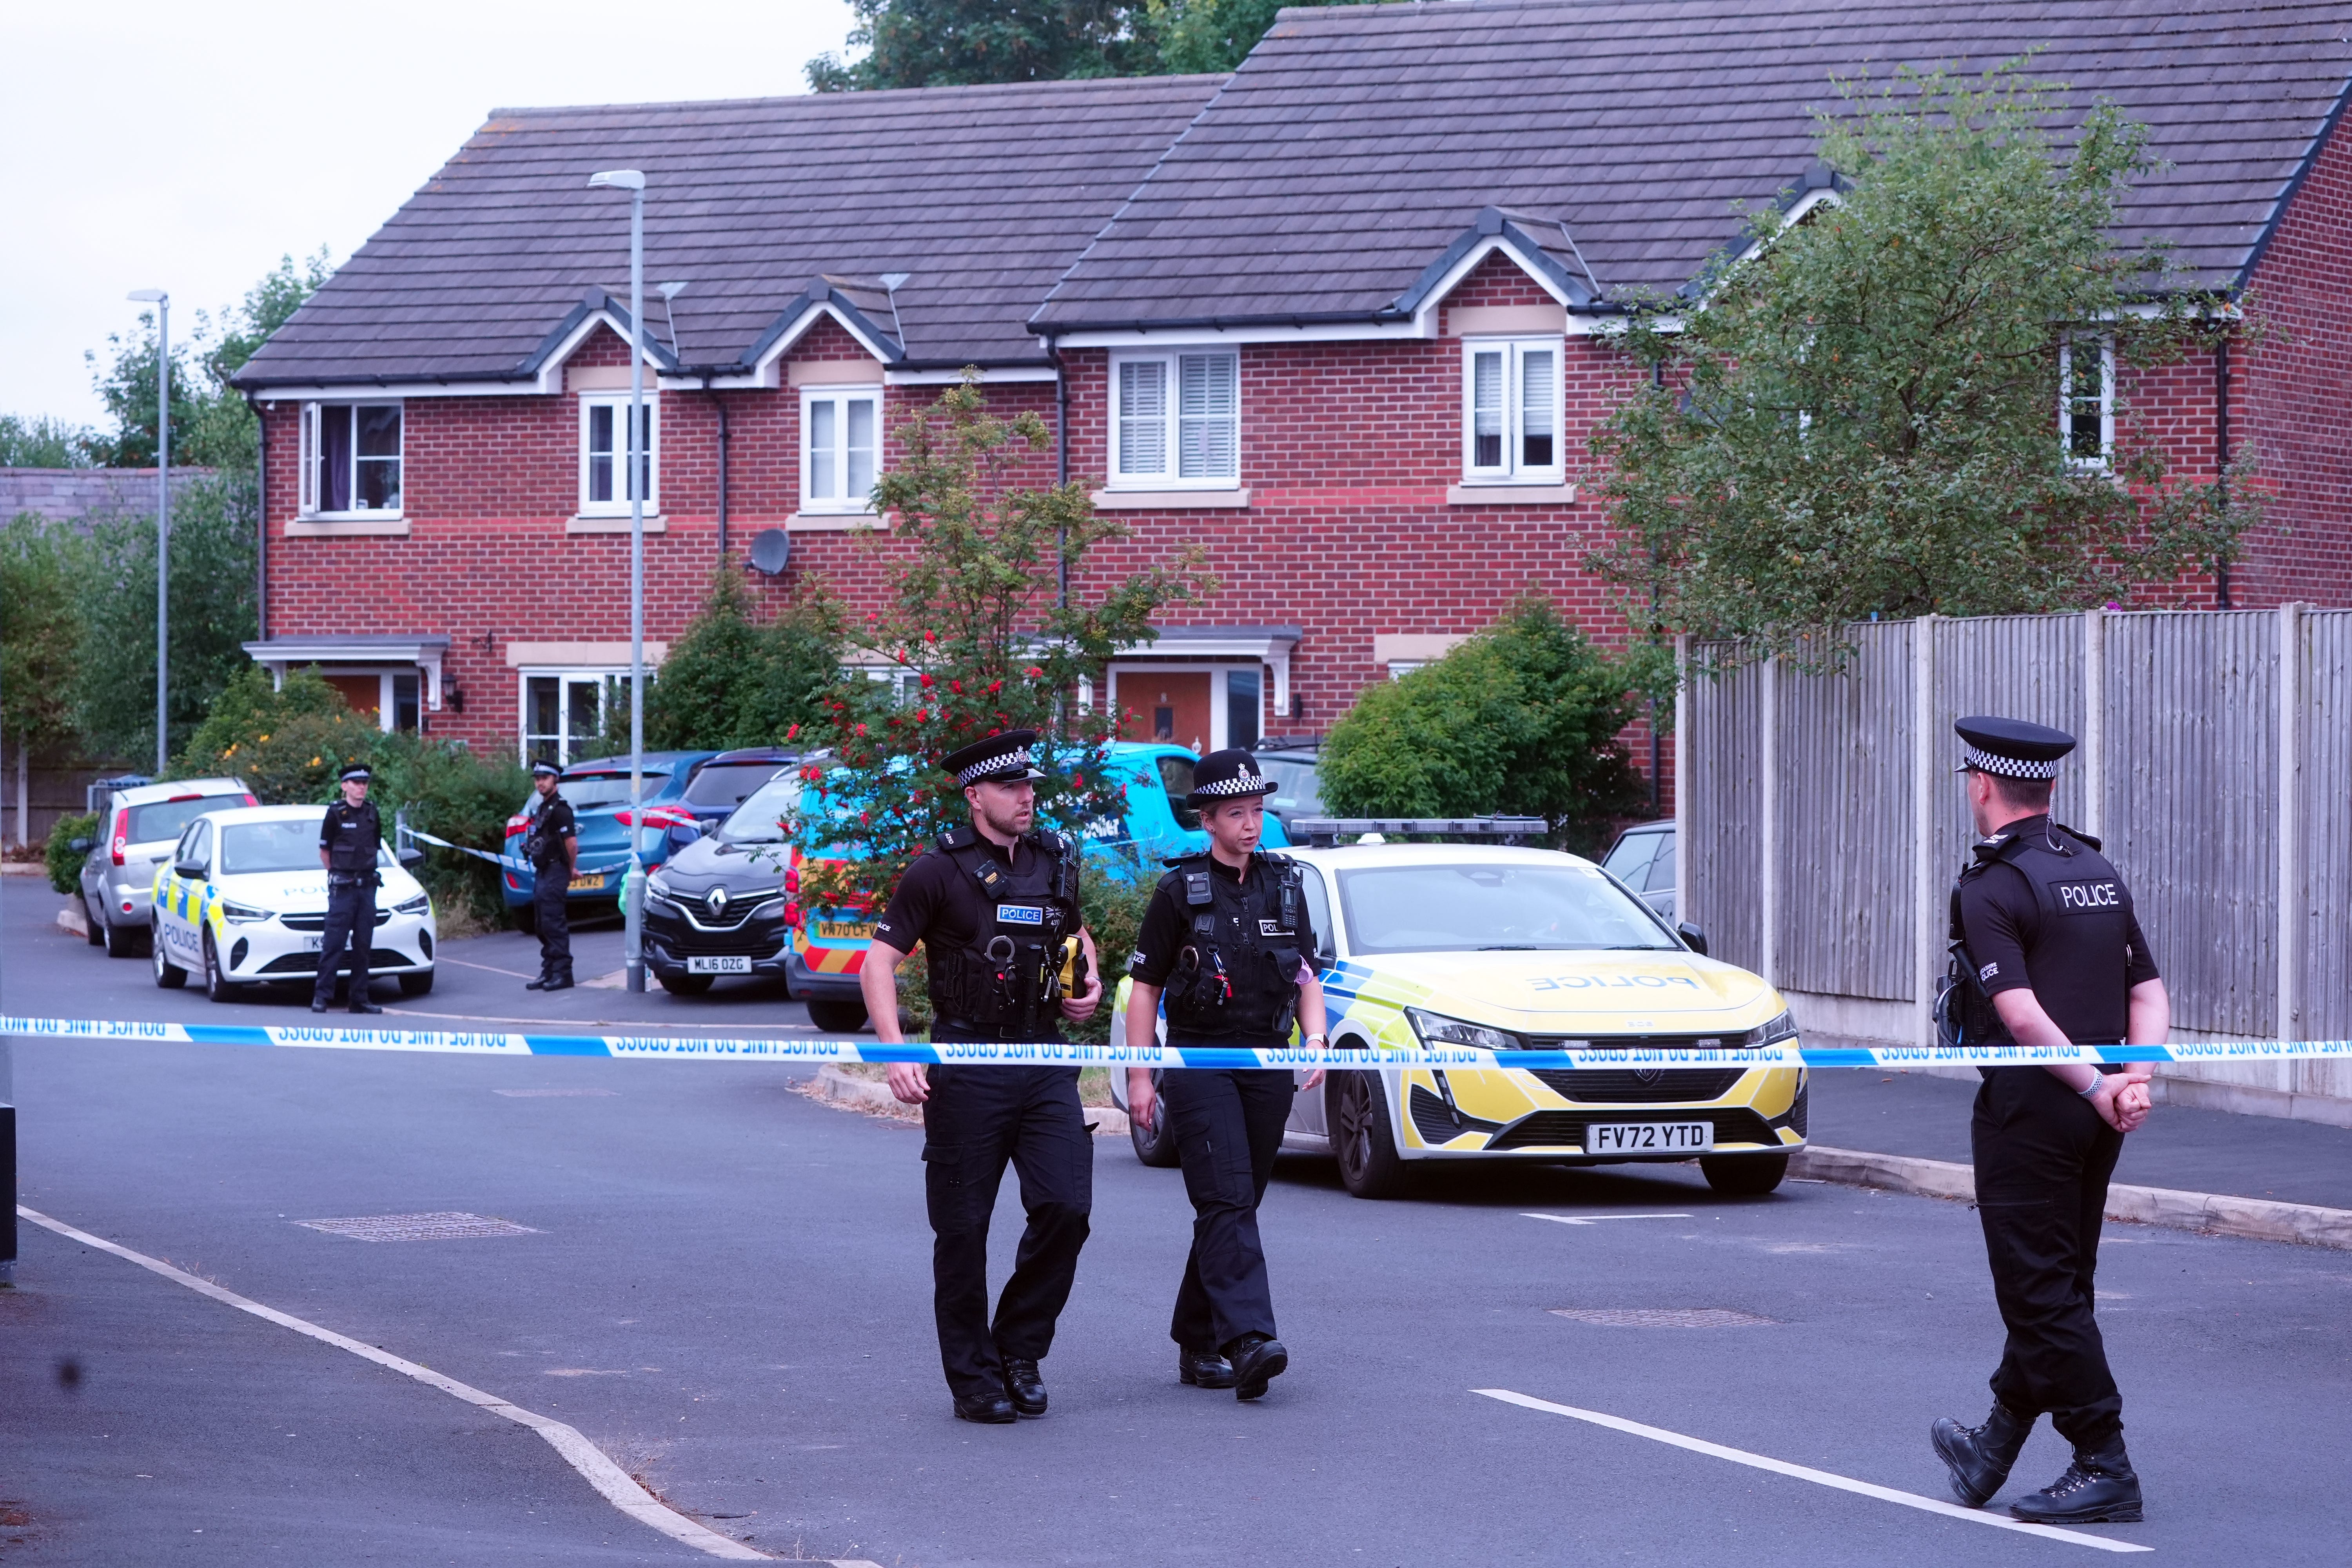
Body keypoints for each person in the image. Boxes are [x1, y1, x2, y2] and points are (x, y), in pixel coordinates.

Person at [1931, 716, 2166, 1525]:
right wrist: (2131, 1080)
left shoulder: (1990, 885)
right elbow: (2149, 991)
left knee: (2039, 1289)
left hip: (2033, 1111)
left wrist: (2101, 1085)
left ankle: (2104, 1458)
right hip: (2095, 1115)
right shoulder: (2096, 868)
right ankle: (1993, 1441)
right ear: (2051, 787)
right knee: (2060, 1282)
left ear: (1982, 785)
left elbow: (2023, 1016)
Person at [861, 729, 1105, 1425]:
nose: (1028, 798)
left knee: (1067, 1208)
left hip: (1044, 1060)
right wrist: (897, 1051)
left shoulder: (1057, 857)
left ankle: (1019, 1349)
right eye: (1012, 788)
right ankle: (974, 1378)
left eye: (1031, 787)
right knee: (963, 1230)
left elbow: (1074, 934)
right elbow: (878, 963)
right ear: (976, 797)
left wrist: (1086, 983)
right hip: (967, 1067)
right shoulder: (936, 873)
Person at [1124, 749, 1328, 1402]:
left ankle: (1196, 1336)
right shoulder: (1178, 890)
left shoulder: (1286, 884)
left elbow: (1305, 977)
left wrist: (1316, 1037)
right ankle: (1247, 1341)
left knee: (1235, 1201)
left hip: (1266, 1062)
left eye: (1258, 810)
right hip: (1199, 1061)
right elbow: (1144, 989)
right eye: (1236, 813)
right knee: (1226, 1200)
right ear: (1207, 819)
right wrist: (1140, 1078)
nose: (1251, 823)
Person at [312, 762, 385, 1015]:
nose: (362, 788)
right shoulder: (335, 814)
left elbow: (376, 846)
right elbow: (325, 851)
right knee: (334, 944)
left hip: (367, 889)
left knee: (364, 946)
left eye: (365, 784)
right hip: (343, 889)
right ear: (345, 786)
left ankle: (359, 999)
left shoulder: (372, 814)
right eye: (356, 783)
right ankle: (322, 997)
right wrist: (337, 876)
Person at [521, 760, 579, 992]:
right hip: (544, 870)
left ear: (555, 780)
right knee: (541, 924)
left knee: (554, 923)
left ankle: (563, 974)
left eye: (545, 778)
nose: (540, 783)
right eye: (537, 779)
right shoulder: (543, 808)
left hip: (556, 871)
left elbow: (572, 845)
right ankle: (549, 970)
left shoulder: (562, 810)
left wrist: (570, 869)